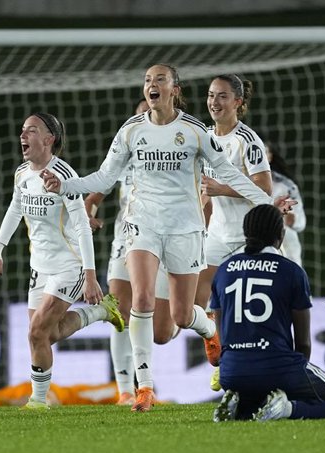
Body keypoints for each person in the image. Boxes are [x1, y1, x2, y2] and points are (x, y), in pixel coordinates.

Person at [41, 64, 294, 412]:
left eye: (160, 79)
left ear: (175, 89)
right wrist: (66, 185)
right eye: (147, 80)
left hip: (185, 230)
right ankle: (142, 388)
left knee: (177, 317)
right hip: (143, 226)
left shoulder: (193, 131)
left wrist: (268, 201)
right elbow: (103, 177)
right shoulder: (131, 131)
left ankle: (207, 329)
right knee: (139, 300)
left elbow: (226, 173)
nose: (151, 85)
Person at [0, 112, 124, 410]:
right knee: (46, 335)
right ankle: (101, 313)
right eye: (23, 130)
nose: (23, 136)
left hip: (70, 266)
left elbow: (82, 227)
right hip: (39, 268)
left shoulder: (64, 176)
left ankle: (37, 402)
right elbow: (15, 209)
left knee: (36, 331)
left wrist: (89, 275)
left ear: (49, 139)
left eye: (32, 130)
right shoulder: (22, 174)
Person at [211, 204, 325, 421]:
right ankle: (288, 409)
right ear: (281, 235)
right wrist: (292, 380)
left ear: (246, 234)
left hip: (232, 372)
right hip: (279, 365)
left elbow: (222, 338)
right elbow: (303, 343)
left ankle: (241, 406)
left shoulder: (224, 270)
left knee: (258, 396)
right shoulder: (292, 271)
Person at [84, 98, 179, 406]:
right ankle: (126, 390)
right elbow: (96, 192)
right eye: (140, 116)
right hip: (126, 240)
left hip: (166, 243)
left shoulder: (178, 153)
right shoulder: (125, 156)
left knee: (162, 332)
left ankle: (196, 318)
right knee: (120, 313)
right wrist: (89, 211)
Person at [194, 74, 273, 364]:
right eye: (211, 95)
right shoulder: (204, 138)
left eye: (222, 96)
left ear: (238, 102)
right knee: (195, 301)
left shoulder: (248, 140)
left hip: (247, 237)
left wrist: (222, 189)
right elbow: (204, 193)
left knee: (244, 305)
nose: (214, 102)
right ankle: (217, 343)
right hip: (216, 234)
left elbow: (265, 191)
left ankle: (238, 360)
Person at [266, 142, 306, 266]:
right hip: (249, 250)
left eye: (264, 152)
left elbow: (300, 222)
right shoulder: (236, 185)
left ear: (270, 156)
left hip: (285, 250)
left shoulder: (285, 186)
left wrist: (291, 219)